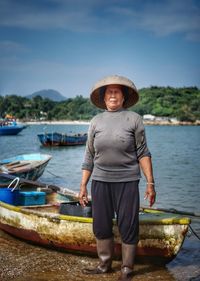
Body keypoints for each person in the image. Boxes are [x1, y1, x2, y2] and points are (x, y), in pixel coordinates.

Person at [79, 75, 156, 281]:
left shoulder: (134, 119)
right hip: (100, 181)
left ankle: (127, 270)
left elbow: (143, 153)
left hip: (128, 181)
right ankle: (104, 265)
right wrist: (83, 185)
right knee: (101, 225)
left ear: (123, 97)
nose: (112, 95)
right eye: (109, 92)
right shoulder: (96, 122)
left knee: (128, 225)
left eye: (117, 91)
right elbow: (89, 156)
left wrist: (150, 182)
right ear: (104, 99)